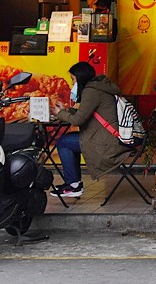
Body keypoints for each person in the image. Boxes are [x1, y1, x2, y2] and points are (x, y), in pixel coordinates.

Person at [50, 61, 132, 198]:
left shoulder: (91, 91)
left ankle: (73, 184)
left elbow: (78, 120)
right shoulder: (99, 88)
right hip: (109, 139)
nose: (72, 84)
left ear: (80, 78)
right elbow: (85, 113)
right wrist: (66, 110)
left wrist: (60, 113)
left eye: (73, 80)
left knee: (63, 142)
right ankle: (74, 184)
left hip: (106, 144)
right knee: (69, 142)